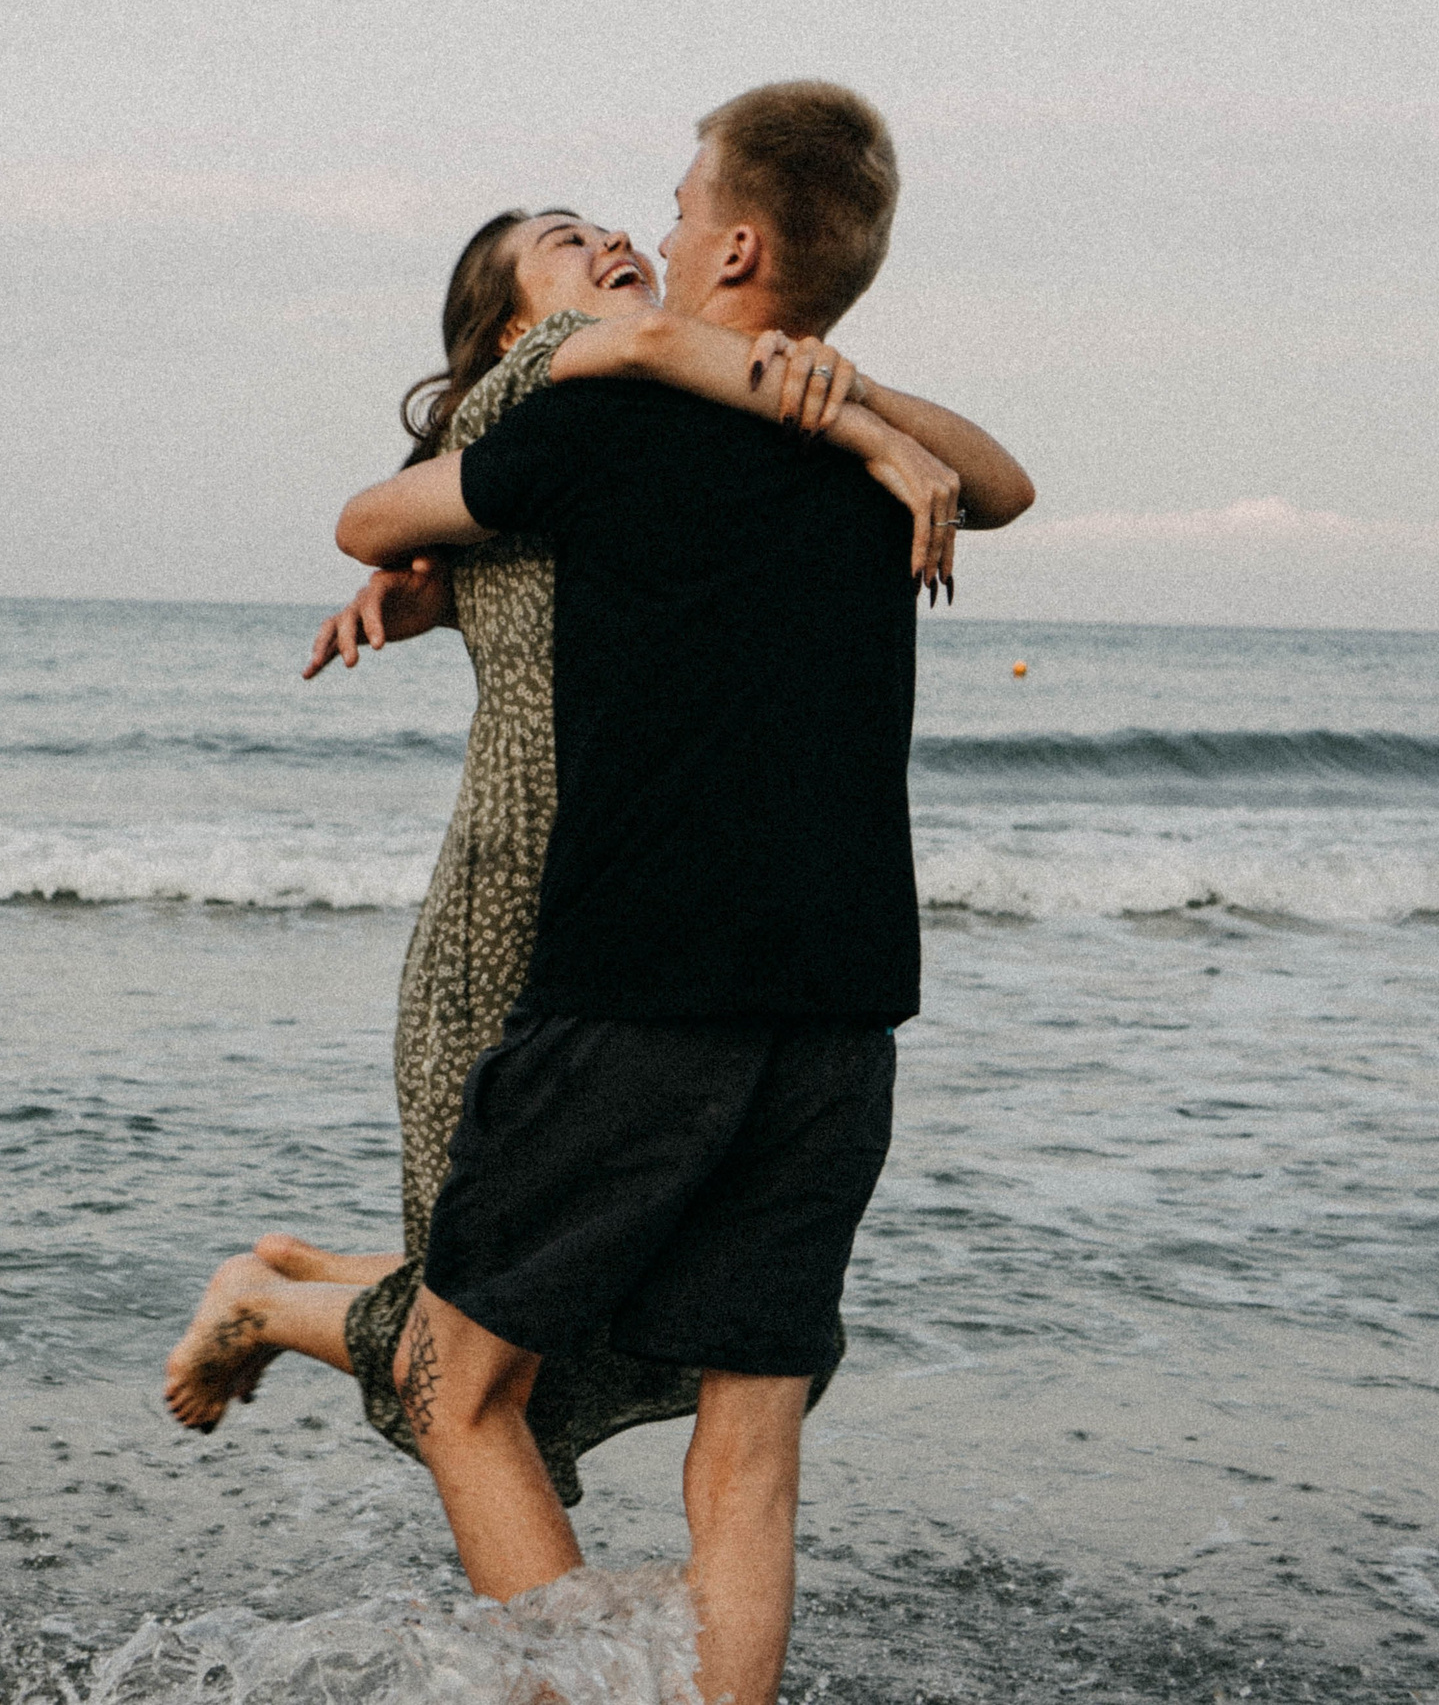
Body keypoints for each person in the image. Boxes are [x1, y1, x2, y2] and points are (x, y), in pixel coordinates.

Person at [163, 104, 1030, 1539]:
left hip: (638, 899)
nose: (622, 240)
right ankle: (279, 1308)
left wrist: (833, 396)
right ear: (509, 332)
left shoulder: (663, 419)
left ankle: (306, 1294)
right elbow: (603, 373)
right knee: (487, 1342)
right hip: (530, 904)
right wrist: (842, 407)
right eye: (567, 244)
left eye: (627, 223)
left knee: (534, 1300)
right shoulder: (578, 380)